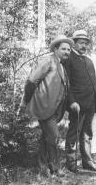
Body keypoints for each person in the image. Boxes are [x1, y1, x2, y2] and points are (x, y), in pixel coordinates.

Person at [18, 35, 73, 176]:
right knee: (54, 136)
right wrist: (27, 100)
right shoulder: (48, 61)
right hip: (44, 107)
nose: (67, 52)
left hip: (54, 110)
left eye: (69, 49)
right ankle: (55, 168)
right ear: (56, 48)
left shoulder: (61, 65)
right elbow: (31, 81)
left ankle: (42, 167)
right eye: (63, 49)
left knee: (46, 138)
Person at [64, 30, 96, 173]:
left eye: (85, 43)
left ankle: (87, 162)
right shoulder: (69, 59)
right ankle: (71, 163)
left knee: (87, 134)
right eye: (81, 43)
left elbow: (94, 83)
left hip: (90, 103)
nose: (83, 45)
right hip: (77, 105)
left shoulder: (89, 61)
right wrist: (72, 102)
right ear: (74, 43)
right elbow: (66, 84)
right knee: (74, 133)